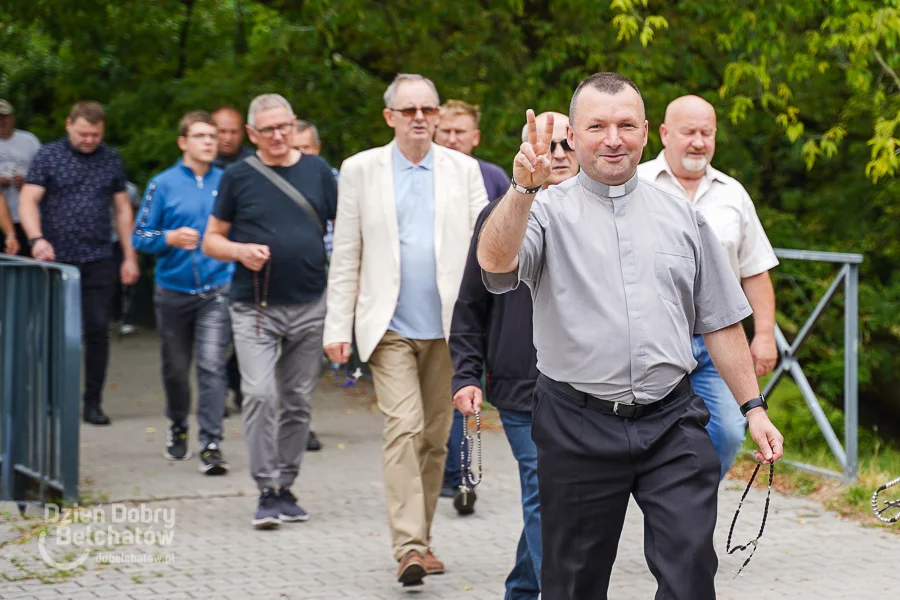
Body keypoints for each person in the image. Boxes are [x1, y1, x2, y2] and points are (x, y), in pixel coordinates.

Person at [475, 72, 784, 599]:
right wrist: (524, 187)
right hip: (576, 424)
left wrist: (753, 408)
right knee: (574, 582)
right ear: (573, 135)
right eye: (597, 125)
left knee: (690, 575)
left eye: (625, 125)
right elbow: (496, 263)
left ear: (646, 133)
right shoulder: (543, 210)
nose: (612, 138)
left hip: (672, 420)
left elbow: (720, 321)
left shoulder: (684, 217)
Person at [324, 73, 487, 586]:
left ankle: (424, 539)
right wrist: (337, 325)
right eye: (409, 110)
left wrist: (484, 326)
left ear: (438, 116)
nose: (420, 118)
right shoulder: (360, 170)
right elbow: (347, 250)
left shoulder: (463, 170)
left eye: (428, 110)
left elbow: (486, 251)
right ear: (390, 116)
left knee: (436, 439)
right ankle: (409, 547)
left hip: (447, 328)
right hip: (387, 325)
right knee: (404, 427)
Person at [449, 109, 578, 599]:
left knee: (556, 497)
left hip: (587, 386)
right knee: (547, 494)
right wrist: (466, 375)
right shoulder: (498, 216)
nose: (558, 155)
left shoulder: (603, 213)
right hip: (524, 387)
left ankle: (522, 590)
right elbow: (469, 306)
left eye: (567, 144)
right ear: (527, 150)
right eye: (547, 144)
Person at [203, 94, 336, 529]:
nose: (278, 135)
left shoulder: (318, 171)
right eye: (268, 129)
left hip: (311, 302)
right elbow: (212, 241)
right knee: (259, 393)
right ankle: (264, 488)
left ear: (294, 125)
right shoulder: (238, 175)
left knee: (297, 399)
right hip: (254, 306)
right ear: (252, 134)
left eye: (285, 126)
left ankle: (285, 485)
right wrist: (240, 250)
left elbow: (347, 230)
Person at [637, 94, 780, 479]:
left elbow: (755, 271)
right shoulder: (635, 184)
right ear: (664, 134)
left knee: (729, 432)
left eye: (707, 132)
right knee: (649, 433)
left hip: (719, 340)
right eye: (689, 132)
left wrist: (764, 335)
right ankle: (662, 496)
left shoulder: (733, 194)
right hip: (652, 340)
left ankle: (691, 499)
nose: (699, 141)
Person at [19, 100, 140, 425]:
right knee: (54, 333)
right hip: (56, 258)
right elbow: (29, 200)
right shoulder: (48, 156)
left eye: (95, 135)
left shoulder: (111, 159)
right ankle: (51, 401)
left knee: (98, 329)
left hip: (99, 256)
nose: (89, 140)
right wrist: (36, 239)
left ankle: (93, 403)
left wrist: (129, 255)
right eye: (83, 133)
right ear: (68, 124)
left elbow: (122, 209)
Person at [132, 110, 234, 474]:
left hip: (217, 288)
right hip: (172, 290)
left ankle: (211, 443)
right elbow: (138, 236)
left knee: (211, 365)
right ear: (183, 142)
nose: (209, 142)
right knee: (176, 369)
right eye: (200, 136)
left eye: (212, 136)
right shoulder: (163, 184)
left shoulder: (229, 180)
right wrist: (168, 238)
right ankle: (178, 427)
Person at [435, 100, 508, 200]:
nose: (452, 139)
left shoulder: (494, 177)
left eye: (459, 132)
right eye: (446, 131)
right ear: (435, 134)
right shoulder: (423, 173)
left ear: (475, 137)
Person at [0, 99, 41, 256]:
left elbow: (43, 173)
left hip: (25, 215)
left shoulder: (29, 141)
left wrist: (28, 181)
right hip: (1, 217)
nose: (1, 121)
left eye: (4, 117)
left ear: (13, 118)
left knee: (27, 258)